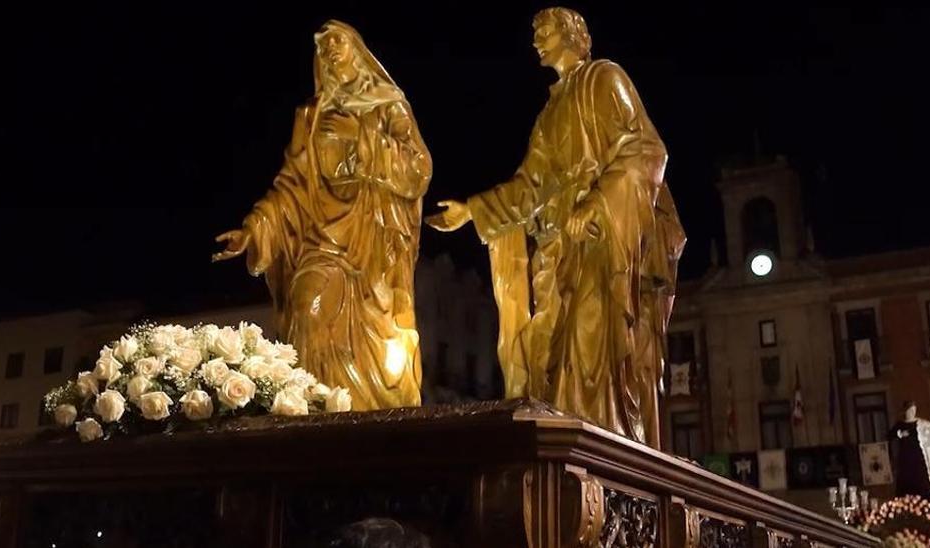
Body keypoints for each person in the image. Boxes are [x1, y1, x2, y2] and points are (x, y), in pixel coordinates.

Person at [426, 7, 684, 447]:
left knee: (590, 342)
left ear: (572, 34)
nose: (535, 41)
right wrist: (472, 210)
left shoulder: (605, 79)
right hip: (557, 247)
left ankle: (603, 447)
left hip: (599, 241)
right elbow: (529, 186)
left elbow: (646, 149)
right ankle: (571, 452)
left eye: (543, 31)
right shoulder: (551, 112)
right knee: (547, 352)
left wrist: (600, 203)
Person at [214, 20, 431, 411]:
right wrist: (253, 228)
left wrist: (365, 145)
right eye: (323, 44)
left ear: (357, 49)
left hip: (372, 243)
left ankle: (368, 415)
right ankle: (315, 413)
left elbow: (418, 169)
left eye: (338, 41)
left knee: (381, 346)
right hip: (322, 241)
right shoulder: (311, 116)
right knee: (306, 304)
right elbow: (291, 184)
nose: (330, 49)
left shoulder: (387, 104)